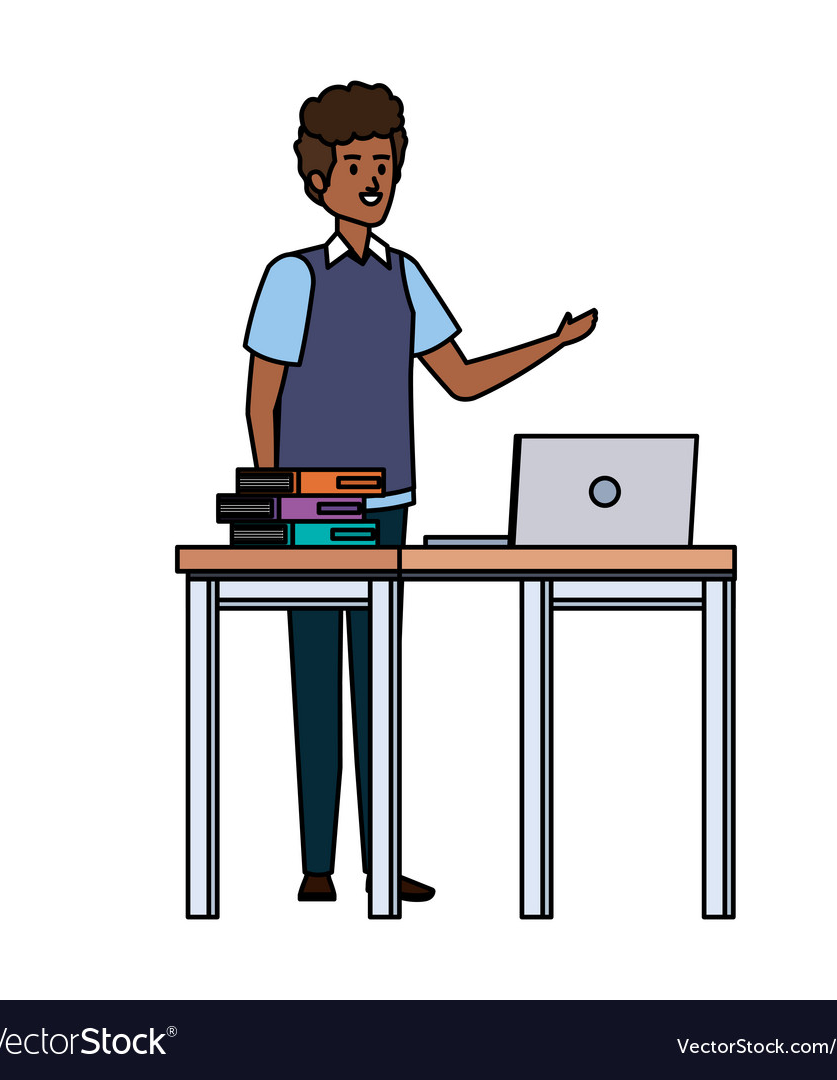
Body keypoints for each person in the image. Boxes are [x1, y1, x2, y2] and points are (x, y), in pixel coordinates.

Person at [244, 81, 597, 904]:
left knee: (379, 684)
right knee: (315, 681)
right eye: (357, 164)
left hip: (388, 502)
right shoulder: (292, 278)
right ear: (320, 176)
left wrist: (554, 342)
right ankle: (317, 867)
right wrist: (271, 503)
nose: (374, 180)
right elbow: (263, 397)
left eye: (385, 164)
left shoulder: (406, 277)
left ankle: (382, 860)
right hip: (310, 502)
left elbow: (463, 381)